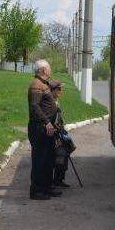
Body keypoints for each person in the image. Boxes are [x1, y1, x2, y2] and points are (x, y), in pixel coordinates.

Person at [27, 59, 60, 200]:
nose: (50, 70)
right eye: (49, 68)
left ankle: (47, 187)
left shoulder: (43, 83)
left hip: (48, 128)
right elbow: (34, 106)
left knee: (48, 159)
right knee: (39, 160)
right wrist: (47, 122)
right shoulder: (36, 85)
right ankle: (36, 191)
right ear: (44, 70)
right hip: (40, 128)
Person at [49, 81, 71, 189]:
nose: (61, 91)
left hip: (60, 132)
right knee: (58, 157)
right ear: (53, 90)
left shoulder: (56, 101)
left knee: (64, 155)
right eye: (59, 89)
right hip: (54, 134)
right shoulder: (50, 102)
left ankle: (59, 179)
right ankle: (54, 180)